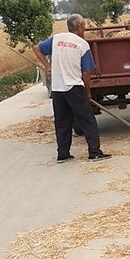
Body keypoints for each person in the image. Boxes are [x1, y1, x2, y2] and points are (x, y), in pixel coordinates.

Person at [33, 14, 110, 163]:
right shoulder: (82, 44)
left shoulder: (56, 39)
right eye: (84, 25)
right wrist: (87, 92)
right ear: (79, 27)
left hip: (57, 88)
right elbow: (86, 72)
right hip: (74, 86)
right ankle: (94, 152)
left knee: (62, 121)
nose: (85, 28)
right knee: (87, 120)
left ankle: (62, 154)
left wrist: (47, 66)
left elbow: (36, 48)